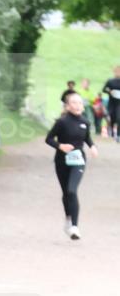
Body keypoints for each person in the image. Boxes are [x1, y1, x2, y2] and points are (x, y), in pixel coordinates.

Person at [45, 92, 98, 240]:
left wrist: (93, 146)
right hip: (61, 161)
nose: (77, 105)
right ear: (68, 106)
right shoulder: (61, 122)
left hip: (78, 161)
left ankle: (74, 226)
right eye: (74, 103)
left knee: (72, 190)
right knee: (66, 193)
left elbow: (87, 137)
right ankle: (68, 218)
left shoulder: (85, 122)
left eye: (80, 103)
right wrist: (60, 146)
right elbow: (48, 139)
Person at [102, 66, 120, 141]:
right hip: (112, 102)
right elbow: (104, 89)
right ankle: (112, 132)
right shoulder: (110, 81)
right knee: (112, 117)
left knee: (119, 117)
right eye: (117, 71)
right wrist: (110, 92)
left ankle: (118, 135)